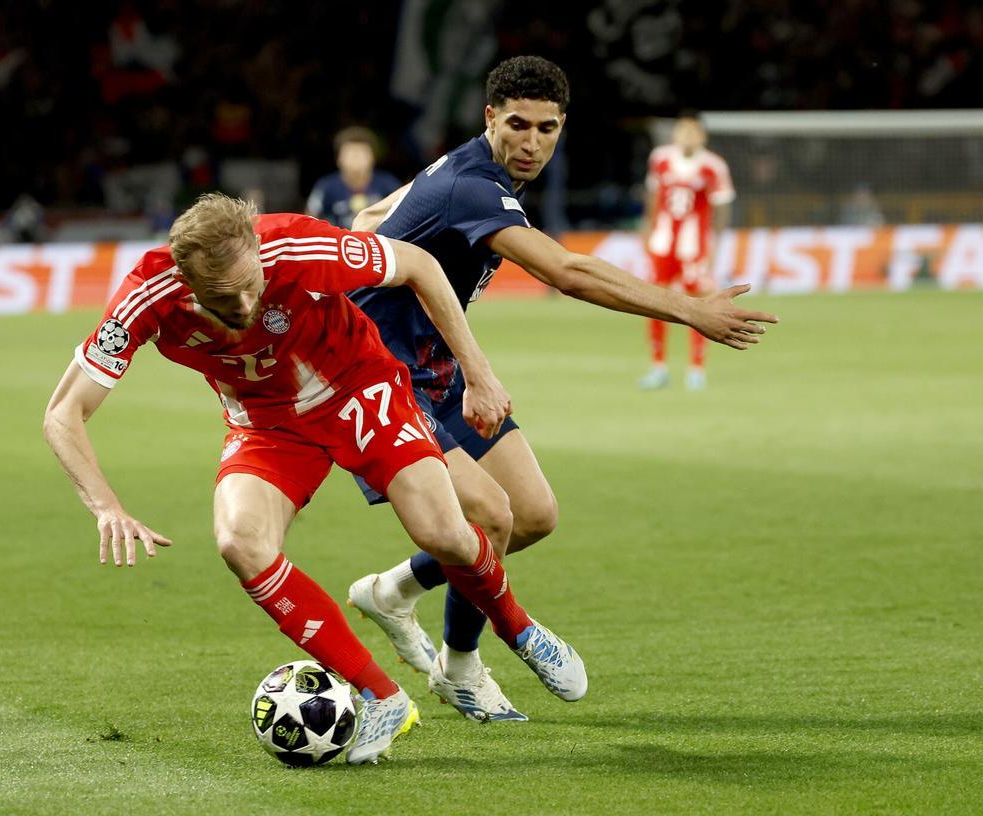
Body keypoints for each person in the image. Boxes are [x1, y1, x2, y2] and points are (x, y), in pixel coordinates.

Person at [43, 193, 588, 765]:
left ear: (258, 250)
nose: (247, 303)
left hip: (360, 388)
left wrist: (477, 372)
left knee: (445, 534)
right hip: (268, 424)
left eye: (252, 283)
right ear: (187, 280)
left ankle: (519, 629)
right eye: (224, 297)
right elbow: (63, 413)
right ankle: (383, 696)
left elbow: (420, 265)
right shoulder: (146, 296)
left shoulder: (298, 244)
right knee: (240, 541)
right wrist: (105, 505)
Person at [346, 57, 777, 722]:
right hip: (376, 380)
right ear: (490, 118)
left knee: (533, 514)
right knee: (491, 516)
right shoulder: (471, 187)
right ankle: (460, 668)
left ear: (561, 127)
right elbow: (569, 271)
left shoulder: (461, 168)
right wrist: (689, 309)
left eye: (547, 128)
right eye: (517, 124)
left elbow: (377, 212)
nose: (532, 142)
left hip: (435, 366)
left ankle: (393, 589)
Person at [640, 112, 736, 390]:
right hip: (663, 242)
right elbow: (653, 194)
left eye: (693, 132)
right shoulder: (660, 158)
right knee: (654, 302)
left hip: (694, 246)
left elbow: (722, 208)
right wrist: (649, 226)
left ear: (702, 137)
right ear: (675, 134)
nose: (687, 137)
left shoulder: (714, 166)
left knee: (700, 304)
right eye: (682, 131)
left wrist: (716, 243)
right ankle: (658, 367)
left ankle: (696, 369)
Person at [306, 126, 401, 230]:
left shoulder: (387, 183)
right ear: (338, 159)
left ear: (373, 157)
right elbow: (310, 219)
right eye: (350, 153)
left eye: (362, 153)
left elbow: (402, 213)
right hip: (339, 242)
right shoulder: (326, 186)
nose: (356, 157)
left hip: (379, 241)